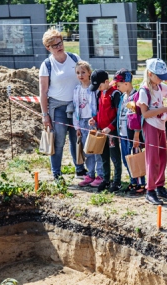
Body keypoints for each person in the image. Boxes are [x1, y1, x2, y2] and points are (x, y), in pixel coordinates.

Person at [38, 28, 83, 183]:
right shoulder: (47, 65)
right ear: (48, 48)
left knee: (76, 137)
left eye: (60, 42)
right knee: (58, 140)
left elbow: (84, 77)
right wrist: (45, 115)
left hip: (76, 106)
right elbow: (43, 92)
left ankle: (80, 169)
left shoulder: (74, 58)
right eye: (54, 45)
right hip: (57, 108)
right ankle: (56, 173)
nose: (59, 46)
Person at [137, 58, 167, 206]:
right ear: (150, 74)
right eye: (159, 76)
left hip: (160, 125)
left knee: (162, 157)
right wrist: (164, 109)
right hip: (151, 125)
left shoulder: (159, 86)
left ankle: (160, 186)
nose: (161, 79)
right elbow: (145, 113)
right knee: (152, 159)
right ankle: (150, 190)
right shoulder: (144, 90)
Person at [89, 70, 123, 193]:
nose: (98, 88)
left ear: (107, 82)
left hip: (111, 132)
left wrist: (110, 127)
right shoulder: (100, 94)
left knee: (115, 156)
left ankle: (117, 180)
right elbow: (100, 112)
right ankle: (106, 179)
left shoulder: (115, 94)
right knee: (103, 156)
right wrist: (94, 119)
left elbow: (118, 115)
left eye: (100, 85)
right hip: (101, 131)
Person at [72, 60, 98, 187]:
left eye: (83, 72)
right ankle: (90, 174)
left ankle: (100, 174)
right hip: (82, 121)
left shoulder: (94, 89)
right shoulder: (76, 89)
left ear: (89, 73)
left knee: (95, 148)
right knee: (86, 150)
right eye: (78, 72)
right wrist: (77, 126)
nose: (80, 75)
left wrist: (96, 119)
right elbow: (76, 107)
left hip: (92, 121)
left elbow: (97, 106)